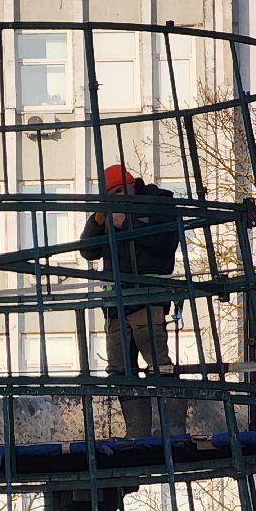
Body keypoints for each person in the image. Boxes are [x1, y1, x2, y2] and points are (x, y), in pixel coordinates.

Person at [79, 163, 186, 438]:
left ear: (130, 185)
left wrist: (126, 223)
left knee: (157, 363)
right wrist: (98, 220)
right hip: (117, 301)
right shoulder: (109, 215)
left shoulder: (156, 202)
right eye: (109, 194)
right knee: (119, 369)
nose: (114, 197)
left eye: (116, 191)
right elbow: (88, 250)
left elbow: (165, 241)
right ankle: (137, 432)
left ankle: (173, 429)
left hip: (147, 295)